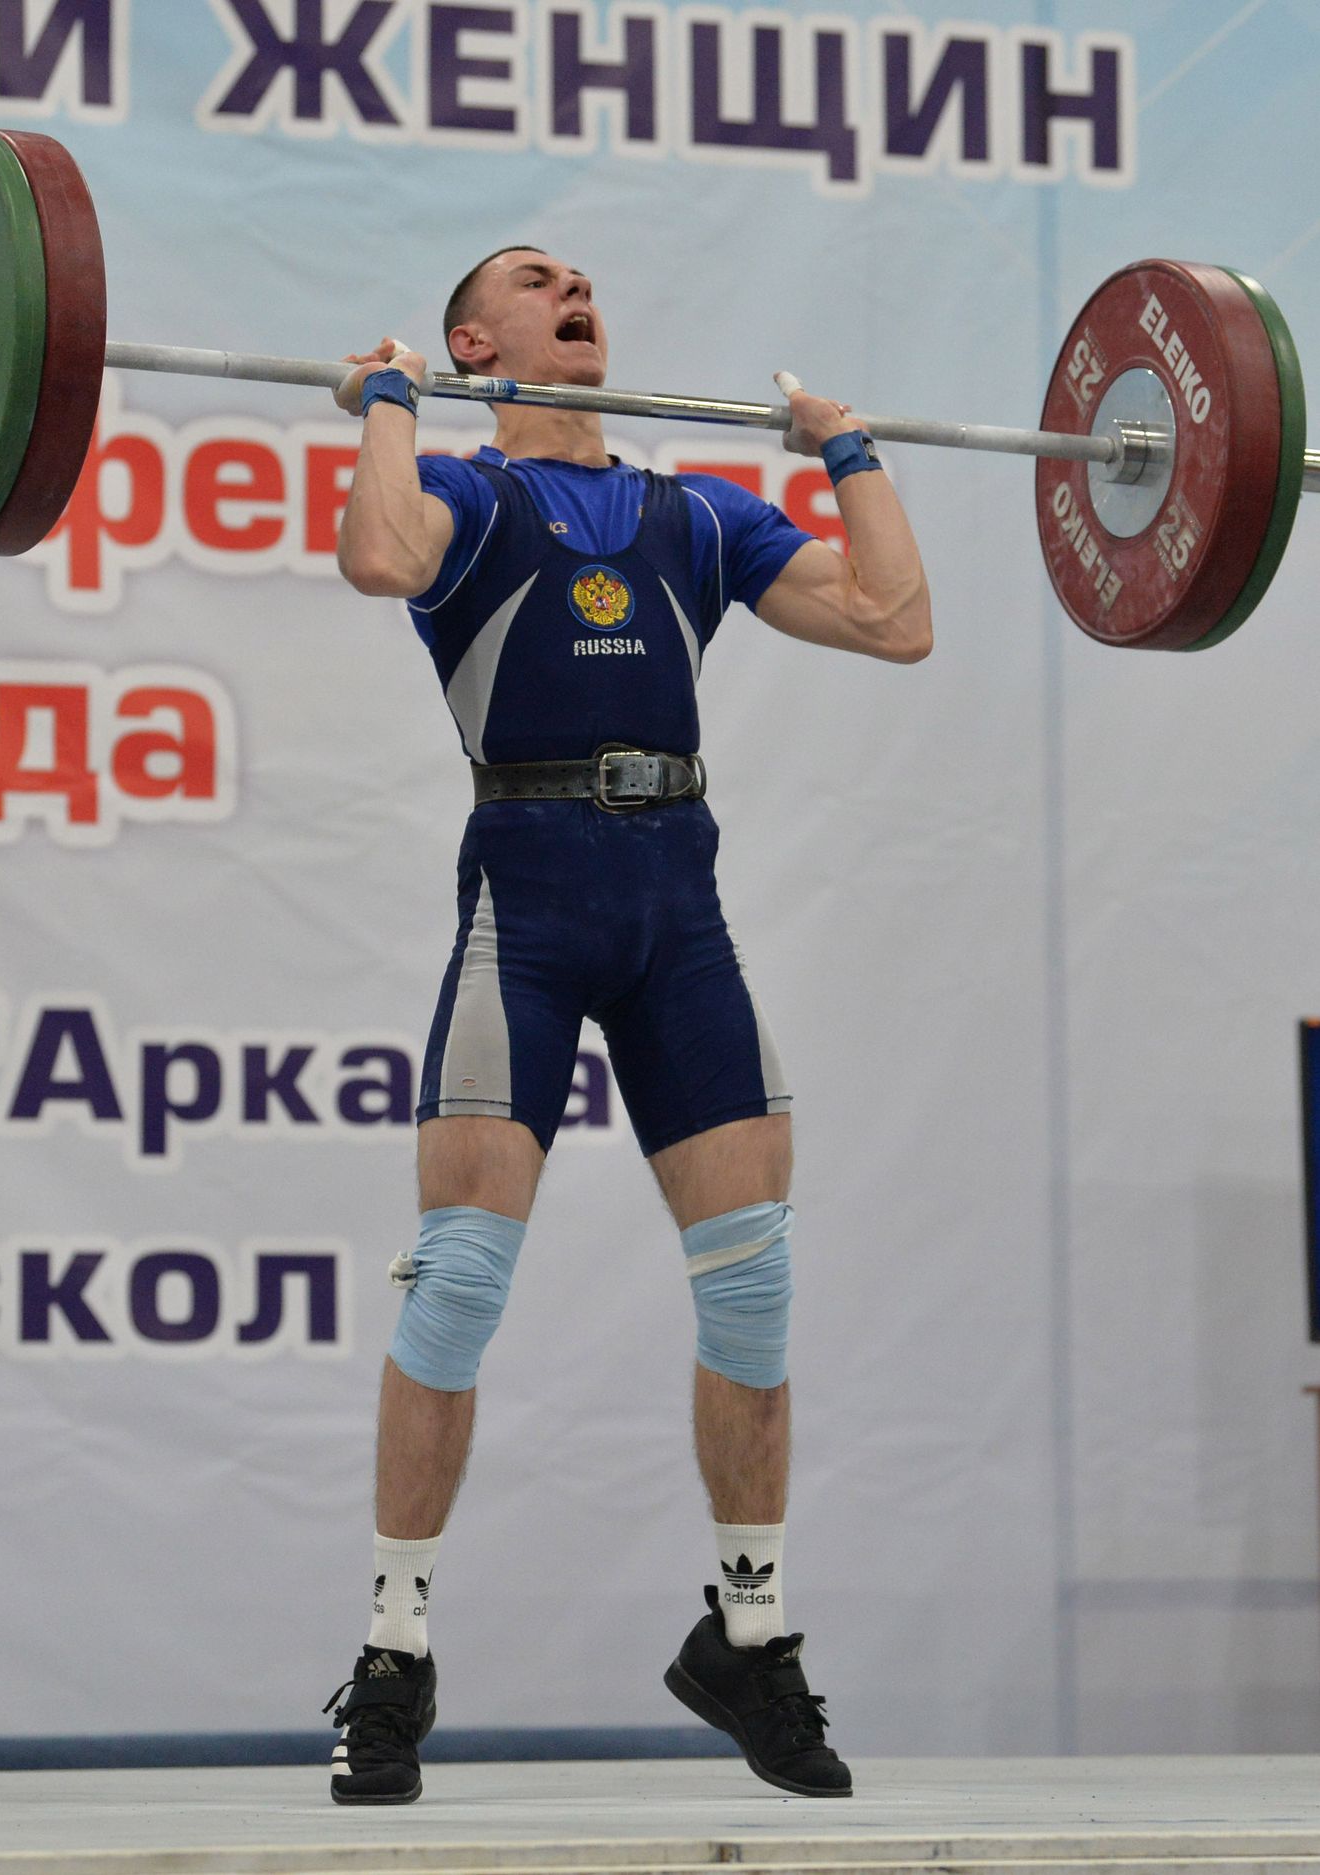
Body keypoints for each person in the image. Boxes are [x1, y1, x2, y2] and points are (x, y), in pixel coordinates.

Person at [321, 248, 931, 1806]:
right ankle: (392, 1652)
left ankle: (750, 1634)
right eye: (539, 280)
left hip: (677, 910)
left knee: (756, 1279)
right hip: (525, 905)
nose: (575, 286)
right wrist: (388, 407)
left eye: (582, 277)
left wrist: (849, 450)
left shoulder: (694, 517)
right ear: (479, 341)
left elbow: (894, 619)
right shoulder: (461, 494)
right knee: (461, 1276)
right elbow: (380, 559)